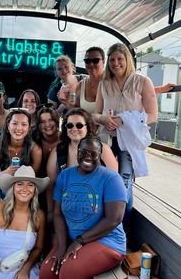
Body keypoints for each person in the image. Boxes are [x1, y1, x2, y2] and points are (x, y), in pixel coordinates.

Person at [33, 136, 126, 279]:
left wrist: (80, 241)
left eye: (93, 153)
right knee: (48, 270)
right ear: (78, 152)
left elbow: (114, 219)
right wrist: (62, 245)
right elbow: (57, 214)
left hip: (106, 241)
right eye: (83, 152)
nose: (88, 157)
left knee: (69, 273)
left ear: (100, 155)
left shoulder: (111, 179)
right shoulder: (66, 176)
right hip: (74, 241)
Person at [94, 42, 158, 213]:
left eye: (120, 59)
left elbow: (153, 115)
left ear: (127, 59)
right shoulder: (104, 84)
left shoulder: (143, 81)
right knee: (103, 182)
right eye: (112, 60)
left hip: (129, 143)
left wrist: (125, 120)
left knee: (124, 185)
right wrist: (103, 118)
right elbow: (95, 114)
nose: (116, 63)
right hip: (106, 140)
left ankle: (122, 229)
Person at [46, 108, 118, 221]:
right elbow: (51, 185)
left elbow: (114, 184)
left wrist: (108, 216)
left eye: (79, 125)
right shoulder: (59, 151)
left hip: (97, 210)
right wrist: (51, 212)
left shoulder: (103, 149)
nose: (74, 129)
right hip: (67, 209)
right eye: (69, 125)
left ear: (88, 127)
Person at [0, 108, 42, 200]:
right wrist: (4, 173)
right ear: (8, 126)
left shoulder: (35, 150)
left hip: (22, 192)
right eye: (15, 123)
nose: (19, 128)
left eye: (24, 124)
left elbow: (32, 180)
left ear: (28, 128)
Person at [75, 47, 105, 114]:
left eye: (95, 60)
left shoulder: (112, 83)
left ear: (103, 61)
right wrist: (65, 102)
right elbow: (76, 112)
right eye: (87, 61)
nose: (91, 64)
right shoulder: (80, 85)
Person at [32, 105, 60, 174]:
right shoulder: (33, 139)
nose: (47, 124)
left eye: (50, 120)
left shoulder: (65, 139)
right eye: (42, 122)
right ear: (38, 125)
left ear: (56, 122)